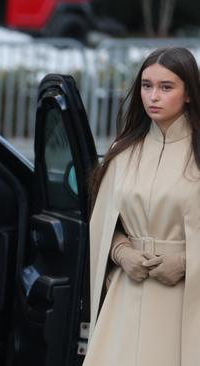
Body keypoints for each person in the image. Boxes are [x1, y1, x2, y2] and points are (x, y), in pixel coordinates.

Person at [86, 47, 200, 366]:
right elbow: (103, 224)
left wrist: (186, 262)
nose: (153, 96)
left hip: (184, 300)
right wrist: (121, 252)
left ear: (189, 93)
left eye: (166, 87)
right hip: (126, 293)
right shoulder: (123, 152)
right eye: (147, 85)